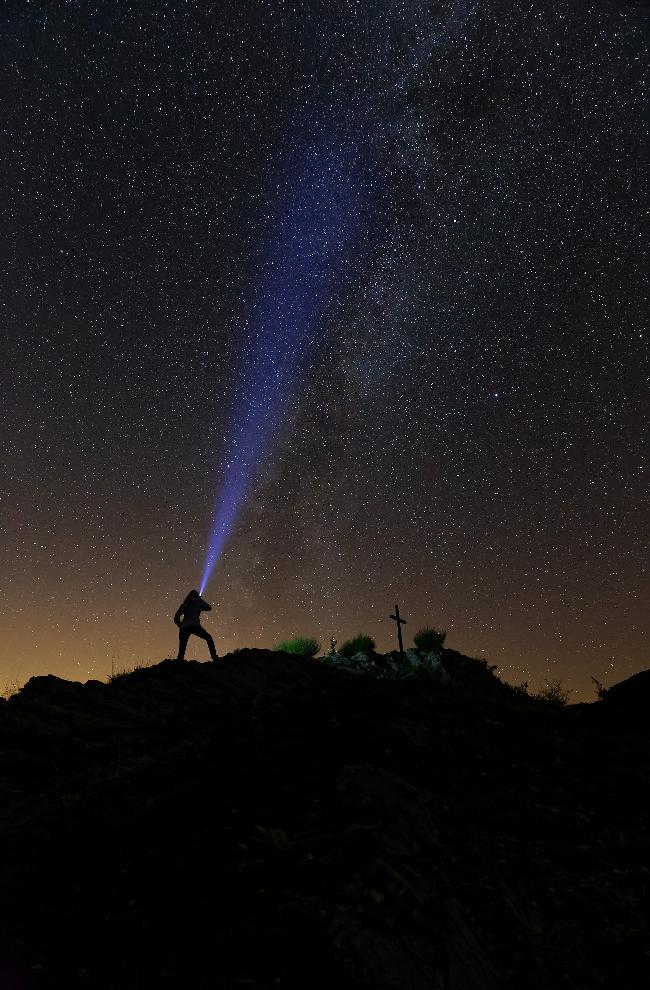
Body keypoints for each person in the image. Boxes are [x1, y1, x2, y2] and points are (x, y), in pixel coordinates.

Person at [174, 590, 219, 661]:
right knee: (208, 638)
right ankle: (215, 657)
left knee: (182, 648)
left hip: (186, 628)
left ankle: (179, 663)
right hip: (195, 626)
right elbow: (209, 607)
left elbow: (176, 618)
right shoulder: (198, 604)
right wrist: (201, 600)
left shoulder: (186, 605)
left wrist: (181, 626)